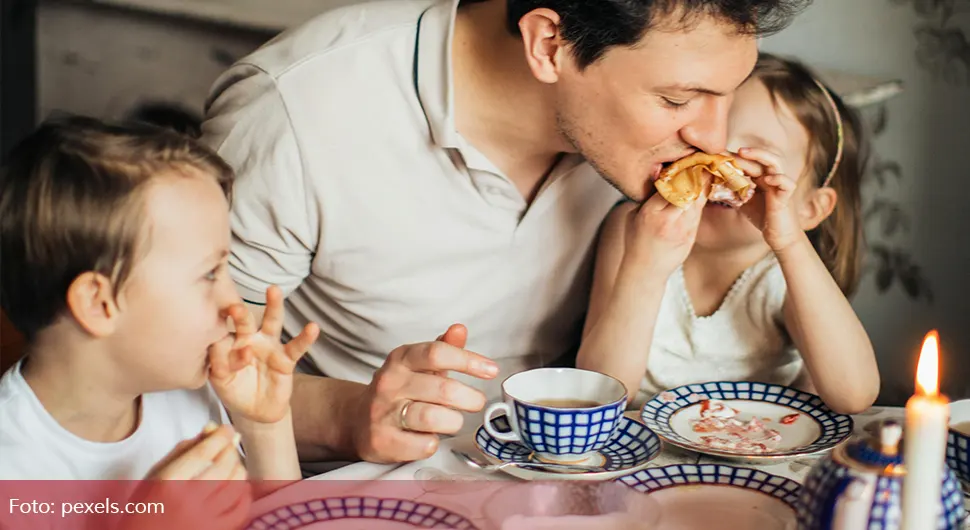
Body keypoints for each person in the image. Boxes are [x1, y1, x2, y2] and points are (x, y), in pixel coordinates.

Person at [200, 0, 812, 464]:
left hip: (576, 469)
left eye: (726, 96)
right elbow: (187, 371)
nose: (713, 135)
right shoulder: (296, 111)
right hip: (359, 483)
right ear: (549, 44)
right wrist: (351, 415)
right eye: (679, 100)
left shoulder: (638, 146)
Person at [0, 116, 319, 495]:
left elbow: (280, 521)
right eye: (209, 274)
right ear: (100, 304)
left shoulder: (189, 394)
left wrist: (265, 427)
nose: (234, 305)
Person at [576, 53, 880, 414]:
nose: (720, 168)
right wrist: (645, 267)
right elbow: (598, 395)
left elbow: (855, 394)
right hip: (648, 452)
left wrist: (790, 241)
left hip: (757, 452)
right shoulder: (634, 230)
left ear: (809, 209)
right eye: (709, 148)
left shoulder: (784, 274)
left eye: (754, 159)